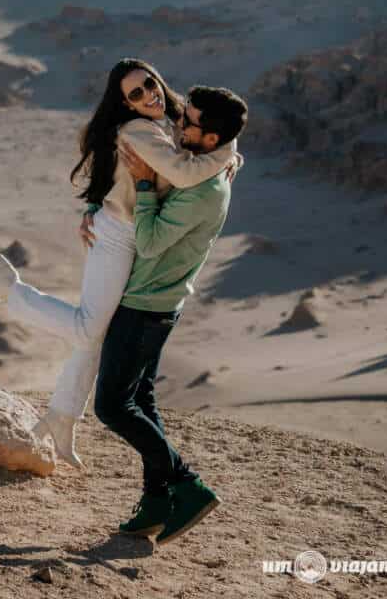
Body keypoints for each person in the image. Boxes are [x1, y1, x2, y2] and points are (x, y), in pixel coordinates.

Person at [0, 58, 241, 467]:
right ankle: (8, 289)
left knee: (96, 333)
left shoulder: (172, 118)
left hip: (129, 230)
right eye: (135, 94)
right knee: (89, 327)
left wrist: (232, 151)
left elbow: (212, 136)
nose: (149, 94)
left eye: (149, 83)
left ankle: (61, 416)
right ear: (125, 104)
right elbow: (182, 172)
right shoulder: (139, 129)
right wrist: (227, 158)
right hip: (118, 236)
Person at [95, 85, 248, 546]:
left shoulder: (202, 188)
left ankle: (187, 485)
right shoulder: (210, 161)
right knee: (141, 401)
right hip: (159, 302)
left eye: (189, 122)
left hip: (146, 305)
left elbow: (152, 242)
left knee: (112, 407)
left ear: (211, 136)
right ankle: (157, 502)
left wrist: (143, 185)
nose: (179, 124)